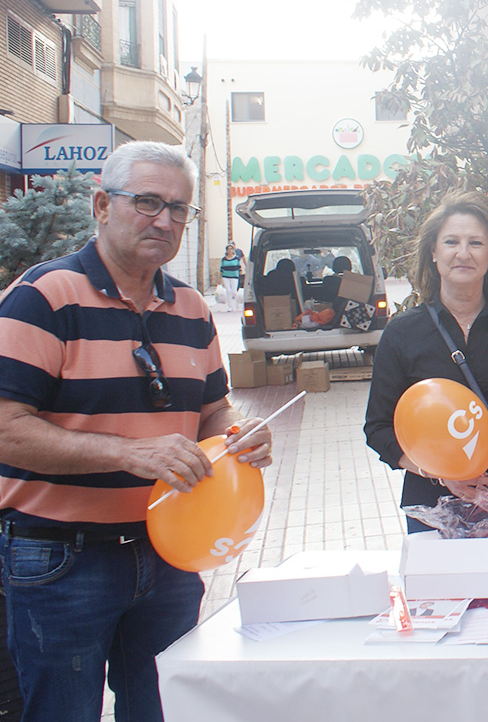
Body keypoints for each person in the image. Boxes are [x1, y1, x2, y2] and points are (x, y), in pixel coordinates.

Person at [0, 140, 275, 722]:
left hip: (170, 554)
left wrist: (240, 435)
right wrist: (130, 455)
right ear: (101, 204)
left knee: (159, 711)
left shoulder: (193, 309)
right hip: (61, 559)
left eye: (179, 209)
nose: (164, 220)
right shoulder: (41, 299)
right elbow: (6, 429)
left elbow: (211, 412)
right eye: (147, 202)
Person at [365, 192, 488, 541]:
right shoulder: (402, 333)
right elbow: (379, 428)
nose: (463, 252)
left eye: (475, 243)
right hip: (433, 509)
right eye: (451, 241)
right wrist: (440, 473)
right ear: (434, 253)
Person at [220, 240, 244, 312]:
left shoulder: (236, 258)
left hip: (234, 276)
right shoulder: (223, 259)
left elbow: (239, 267)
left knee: (234, 291)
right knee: (228, 290)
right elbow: (221, 268)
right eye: (228, 249)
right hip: (226, 276)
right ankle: (229, 306)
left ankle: (237, 305)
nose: (229, 250)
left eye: (231, 249)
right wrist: (220, 278)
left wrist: (240, 272)